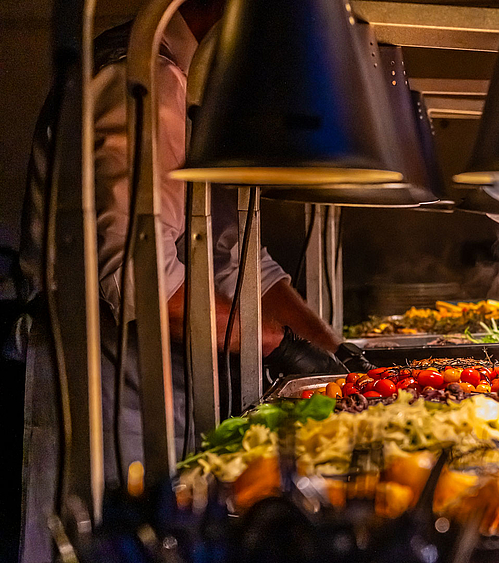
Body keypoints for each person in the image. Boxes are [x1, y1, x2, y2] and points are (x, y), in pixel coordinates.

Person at [18, 2, 371, 560]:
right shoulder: (136, 73)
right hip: (107, 409)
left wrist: (337, 351)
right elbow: (145, 284)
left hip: (174, 409)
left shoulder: (201, 83)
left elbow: (234, 256)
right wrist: (288, 349)